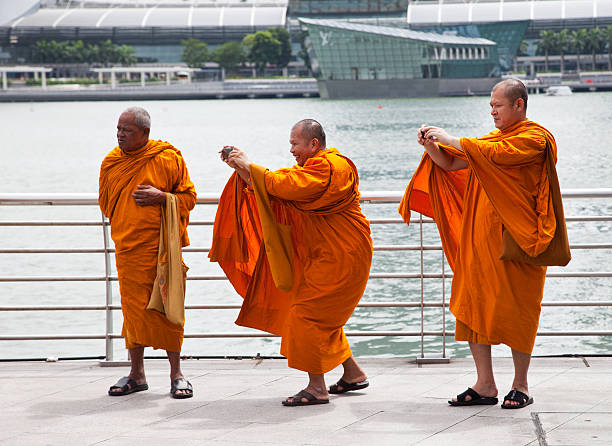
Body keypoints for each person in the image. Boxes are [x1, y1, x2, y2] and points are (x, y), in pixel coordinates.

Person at [399, 79, 565, 409]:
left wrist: (451, 138)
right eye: (490, 106)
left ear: (519, 105)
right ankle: (485, 383)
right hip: (477, 240)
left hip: (519, 240)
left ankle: (521, 384)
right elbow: (448, 164)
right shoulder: (488, 142)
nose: (492, 112)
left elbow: (494, 154)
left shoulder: (535, 139)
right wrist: (432, 145)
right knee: (473, 305)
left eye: (498, 106)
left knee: (519, 308)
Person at [209, 119, 373, 406]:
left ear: (313, 144)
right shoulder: (309, 169)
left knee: (305, 315)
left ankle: (317, 388)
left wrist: (248, 164)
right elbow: (280, 188)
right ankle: (353, 374)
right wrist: (242, 168)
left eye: (295, 144)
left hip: (343, 254)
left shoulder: (333, 166)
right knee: (321, 316)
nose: (292, 150)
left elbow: (285, 186)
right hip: (322, 254)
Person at [99, 107, 197, 399]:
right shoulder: (111, 163)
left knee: (169, 308)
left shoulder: (167, 158)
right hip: (128, 248)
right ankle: (136, 374)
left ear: (145, 133)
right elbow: (106, 204)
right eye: (118, 129)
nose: (120, 135)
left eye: (126, 130)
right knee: (133, 312)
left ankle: (177, 374)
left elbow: (189, 198)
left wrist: (162, 198)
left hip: (162, 249)